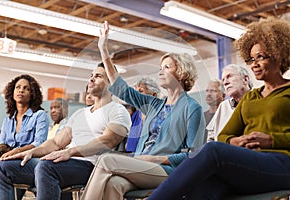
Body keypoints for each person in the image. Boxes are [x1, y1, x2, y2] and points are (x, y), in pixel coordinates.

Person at [147, 17, 290, 200]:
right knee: (207, 185)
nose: (254, 63)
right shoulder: (250, 97)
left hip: (282, 165)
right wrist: (235, 142)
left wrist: (272, 140)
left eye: (260, 57)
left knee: (212, 150)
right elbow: (224, 135)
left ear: (279, 54)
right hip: (249, 165)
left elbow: (217, 145)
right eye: (251, 58)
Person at [80, 21, 206, 200]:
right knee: (114, 184)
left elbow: (194, 156)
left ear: (182, 73)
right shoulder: (154, 104)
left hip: (167, 170)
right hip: (141, 164)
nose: (161, 72)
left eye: (167, 67)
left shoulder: (193, 108)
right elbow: (121, 88)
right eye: (160, 68)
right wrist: (103, 50)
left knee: (106, 159)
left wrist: (155, 159)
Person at [0, 63, 131, 200]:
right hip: (62, 163)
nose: (91, 79)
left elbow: (107, 141)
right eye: (91, 75)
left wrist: (69, 152)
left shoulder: (117, 110)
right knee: (3, 168)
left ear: (112, 83)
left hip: (91, 165)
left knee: (46, 167)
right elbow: (57, 142)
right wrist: (30, 152)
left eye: (98, 76)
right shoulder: (80, 113)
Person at [0, 74, 49, 180]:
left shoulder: (40, 115)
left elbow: (39, 143)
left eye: (26, 88)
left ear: (32, 94)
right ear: (12, 92)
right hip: (8, 159)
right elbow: (1, 144)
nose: (21, 90)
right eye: (18, 87)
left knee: (1, 167)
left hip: (29, 159)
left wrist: (17, 151)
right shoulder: (7, 120)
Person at [206, 64, 252, 142]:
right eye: (223, 80)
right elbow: (211, 138)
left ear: (245, 79)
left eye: (229, 76)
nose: (225, 83)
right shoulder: (223, 106)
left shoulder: (259, 100)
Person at [125, 77, 160, 153]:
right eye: (135, 92)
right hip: (129, 157)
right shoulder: (134, 115)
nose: (136, 96)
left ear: (153, 95)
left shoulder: (159, 117)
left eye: (140, 91)